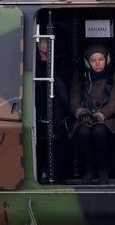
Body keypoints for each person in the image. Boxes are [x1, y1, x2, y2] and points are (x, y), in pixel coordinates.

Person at [70, 45, 115, 184]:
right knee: (83, 132)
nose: (97, 64)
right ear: (87, 62)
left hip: (106, 118)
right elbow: (74, 100)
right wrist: (82, 113)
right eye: (93, 60)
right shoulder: (80, 75)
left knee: (99, 131)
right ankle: (89, 170)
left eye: (101, 59)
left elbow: (114, 102)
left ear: (106, 60)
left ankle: (102, 170)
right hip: (84, 117)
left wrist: (100, 115)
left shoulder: (113, 74)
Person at [36, 38, 69, 184]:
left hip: (57, 120)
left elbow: (65, 98)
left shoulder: (62, 69)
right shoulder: (31, 70)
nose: (44, 57)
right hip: (36, 118)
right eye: (40, 53)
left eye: (47, 53)